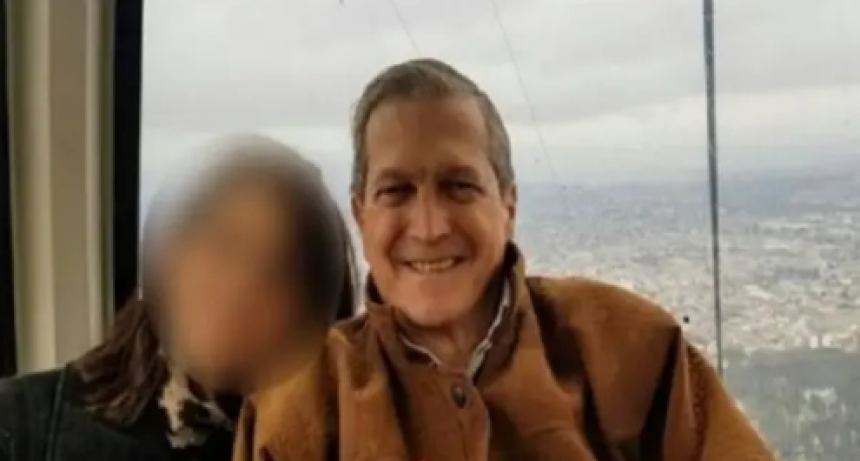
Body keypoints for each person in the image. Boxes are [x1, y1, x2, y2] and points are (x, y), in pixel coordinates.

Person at [233, 59, 778, 461]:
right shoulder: (301, 400)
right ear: (361, 216)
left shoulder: (627, 347)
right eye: (396, 191)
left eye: (459, 186)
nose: (429, 226)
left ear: (508, 204)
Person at [0, 135, 359, 461]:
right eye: (225, 243)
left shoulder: (336, 447)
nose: (242, 285)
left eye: (280, 270)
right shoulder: (20, 424)